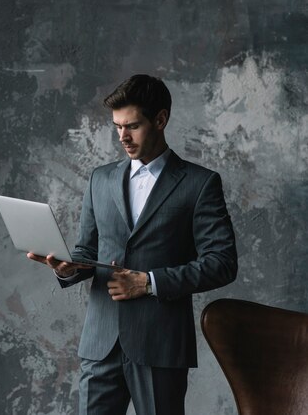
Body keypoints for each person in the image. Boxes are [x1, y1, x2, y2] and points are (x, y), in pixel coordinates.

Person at [28, 74, 238, 415]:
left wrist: (150, 283)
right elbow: (87, 251)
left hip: (160, 345)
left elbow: (223, 262)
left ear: (160, 120)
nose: (123, 137)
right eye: (117, 127)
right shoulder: (100, 178)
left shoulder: (200, 184)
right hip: (100, 343)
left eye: (133, 126)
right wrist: (67, 268)